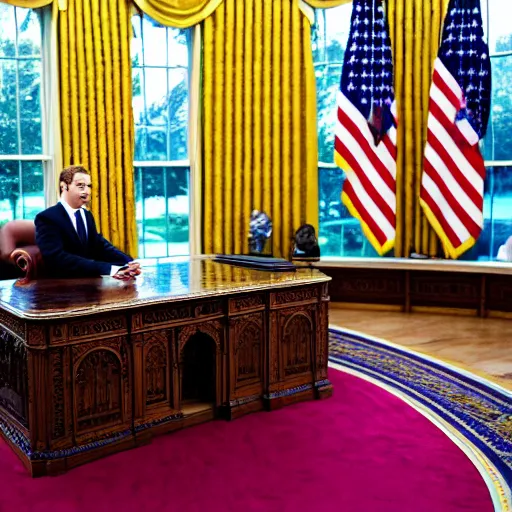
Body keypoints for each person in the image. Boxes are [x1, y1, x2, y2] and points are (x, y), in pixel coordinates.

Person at [35, 165, 141, 280]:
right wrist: (109, 269)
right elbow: (56, 258)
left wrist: (128, 262)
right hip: (62, 287)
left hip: (92, 283)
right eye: (80, 186)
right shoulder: (47, 218)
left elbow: (99, 245)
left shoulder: (86, 215)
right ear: (64, 186)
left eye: (88, 186)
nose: (87, 191)